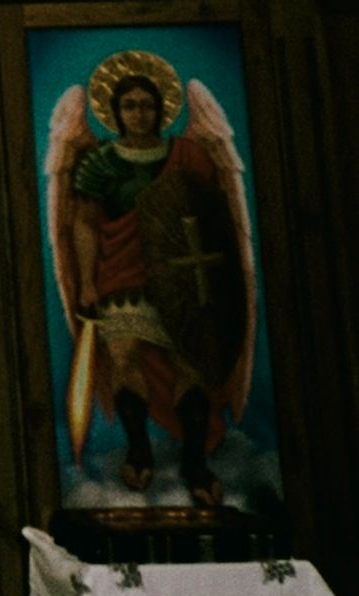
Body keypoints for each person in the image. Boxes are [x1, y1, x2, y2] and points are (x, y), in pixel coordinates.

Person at [67, 73, 239, 506]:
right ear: (116, 112)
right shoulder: (101, 162)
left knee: (191, 362)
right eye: (130, 105)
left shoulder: (188, 156)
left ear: (160, 109)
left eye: (147, 105)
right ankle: (139, 450)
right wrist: (86, 281)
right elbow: (85, 223)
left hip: (184, 277)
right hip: (122, 272)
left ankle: (195, 461)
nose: (139, 114)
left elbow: (212, 212)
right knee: (124, 358)